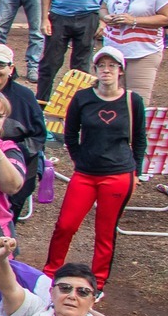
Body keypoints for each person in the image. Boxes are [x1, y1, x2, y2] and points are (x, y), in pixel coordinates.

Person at [43, 46, 146, 292]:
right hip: (86, 174)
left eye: (112, 66)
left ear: (121, 70)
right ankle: (50, 273)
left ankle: (98, 282)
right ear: (95, 69)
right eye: (101, 65)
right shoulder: (82, 98)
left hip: (119, 174)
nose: (106, 70)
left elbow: (140, 138)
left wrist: (136, 172)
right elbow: (70, 133)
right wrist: (79, 160)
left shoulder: (132, 101)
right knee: (66, 225)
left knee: (105, 231)